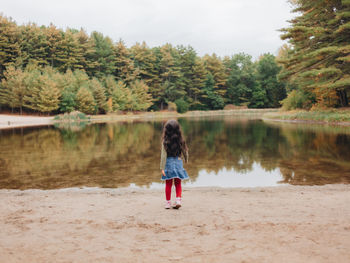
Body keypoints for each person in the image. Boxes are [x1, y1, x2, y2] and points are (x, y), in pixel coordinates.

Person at [160, 119, 189, 209]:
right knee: (178, 183)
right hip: (178, 163)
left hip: (168, 164)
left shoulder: (165, 142)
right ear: (178, 129)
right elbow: (185, 151)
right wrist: (186, 160)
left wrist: (162, 167)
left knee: (168, 184)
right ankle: (178, 200)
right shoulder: (181, 140)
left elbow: (163, 155)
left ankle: (168, 203)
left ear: (166, 130)